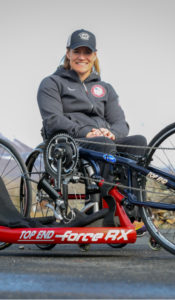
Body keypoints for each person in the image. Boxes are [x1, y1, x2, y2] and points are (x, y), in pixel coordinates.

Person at [37, 29, 147, 230]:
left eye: (87, 52)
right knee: (103, 144)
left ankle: (138, 209)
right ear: (68, 53)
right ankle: (105, 210)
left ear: (94, 55)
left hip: (103, 139)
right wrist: (85, 132)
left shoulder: (105, 88)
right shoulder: (52, 83)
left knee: (139, 142)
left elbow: (121, 122)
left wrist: (113, 132)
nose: (82, 57)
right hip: (70, 142)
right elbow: (52, 120)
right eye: (77, 51)